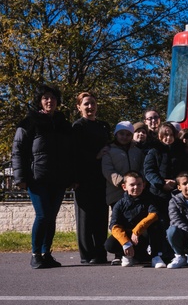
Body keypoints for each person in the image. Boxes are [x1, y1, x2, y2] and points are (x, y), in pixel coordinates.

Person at [12, 84, 73, 269]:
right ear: (40, 101)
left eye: (53, 98)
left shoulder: (63, 124)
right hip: (36, 178)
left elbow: (71, 153)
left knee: (52, 216)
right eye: (46, 97)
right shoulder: (29, 123)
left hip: (58, 179)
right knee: (43, 215)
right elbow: (18, 150)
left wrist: (71, 177)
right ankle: (35, 254)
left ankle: (47, 254)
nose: (49, 101)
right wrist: (19, 178)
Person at [71, 91, 111, 264]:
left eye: (92, 103)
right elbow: (74, 153)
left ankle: (100, 253)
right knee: (85, 218)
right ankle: (87, 255)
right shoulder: (77, 127)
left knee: (101, 216)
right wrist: (95, 156)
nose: (90, 107)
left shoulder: (104, 126)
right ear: (79, 107)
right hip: (84, 178)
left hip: (101, 178)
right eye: (86, 104)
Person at [105, 171, 166, 268]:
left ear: (144, 185)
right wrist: (126, 243)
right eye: (132, 185)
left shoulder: (149, 200)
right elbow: (114, 226)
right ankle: (127, 255)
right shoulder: (119, 204)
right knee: (110, 244)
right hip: (129, 239)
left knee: (156, 225)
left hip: (143, 236)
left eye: (139, 184)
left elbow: (154, 215)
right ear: (124, 187)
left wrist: (137, 230)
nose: (136, 187)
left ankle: (156, 257)